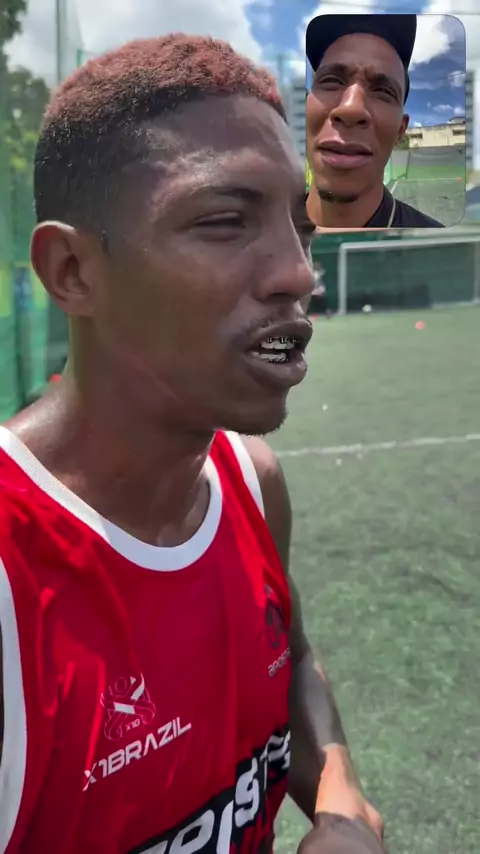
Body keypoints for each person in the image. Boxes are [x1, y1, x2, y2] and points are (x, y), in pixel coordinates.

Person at [0, 35, 384, 854]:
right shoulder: (10, 569)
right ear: (72, 271)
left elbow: (293, 656)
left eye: (300, 228)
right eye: (223, 222)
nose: (298, 274)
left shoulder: (253, 483)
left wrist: (341, 798)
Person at [305, 14, 444, 229]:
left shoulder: (442, 244)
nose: (351, 108)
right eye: (331, 80)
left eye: (383, 91)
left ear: (400, 130)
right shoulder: (254, 232)